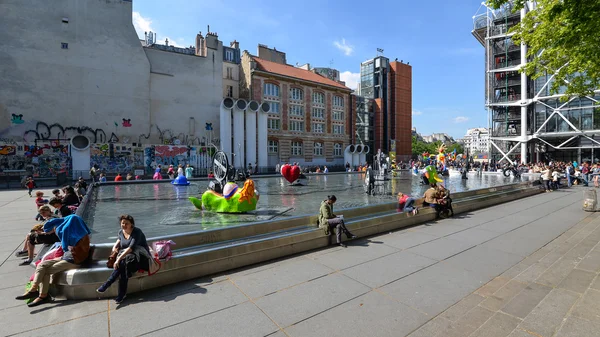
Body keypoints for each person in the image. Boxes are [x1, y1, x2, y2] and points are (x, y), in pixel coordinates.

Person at [15, 215, 91, 307]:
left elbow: (68, 239)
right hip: (65, 257)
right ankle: (34, 289)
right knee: (42, 265)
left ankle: (42, 296)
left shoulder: (79, 235)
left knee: (45, 272)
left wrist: (59, 231)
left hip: (74, 260)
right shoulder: (72, 232)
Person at [96, 214, 151, 304]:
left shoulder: (137, 232)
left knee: (122, 264)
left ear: (131, 224)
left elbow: (131, 248)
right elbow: (119, 240)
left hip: (141, 258)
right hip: (128, 258)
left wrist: (117, 260)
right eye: (122, 223)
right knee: (123, 266)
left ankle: (108, 284)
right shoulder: (121, 232)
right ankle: (120, 293)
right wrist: (114, 248)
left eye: (126, 223)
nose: (124, 225)